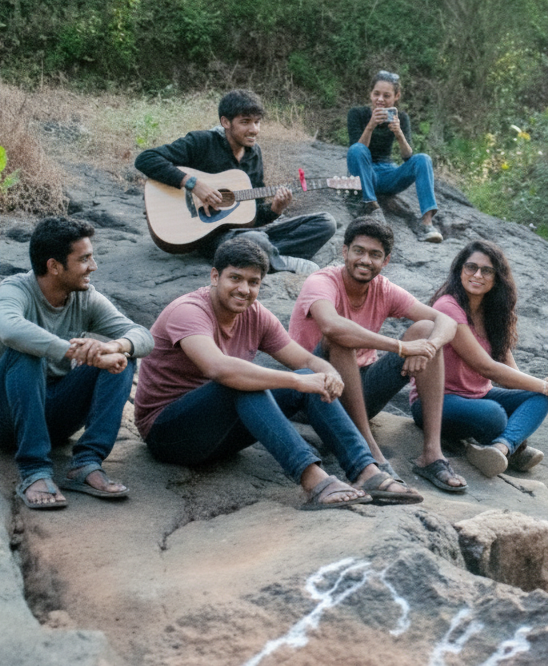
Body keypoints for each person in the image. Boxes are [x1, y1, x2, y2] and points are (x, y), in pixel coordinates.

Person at [134, 236, 423, 508]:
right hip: (169, 435)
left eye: (253, 282)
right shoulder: (189, 311)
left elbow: (304, 360)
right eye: (235, 278)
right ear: (214, 276)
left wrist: (325, 372)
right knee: (243, 382)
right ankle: (314, 482)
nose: (244, 289)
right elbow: (218, 368)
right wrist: (298, 381)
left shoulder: (255, 314)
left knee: (306, 383)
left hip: (219, 436)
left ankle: (366, 471)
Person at [0, 217, 155, 510]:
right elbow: (12, 331)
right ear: (54, 266)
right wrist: (74, 352)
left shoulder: (85, 297)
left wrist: (113, 347)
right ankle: (34, 471)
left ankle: (86, 464)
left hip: (53, 415)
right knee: (26, 351)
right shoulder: (13, 291)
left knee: (120, 359)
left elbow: (143, 335)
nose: (93, 266)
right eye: (84, 259)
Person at [288, 216, 466, 493]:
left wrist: (427, 346)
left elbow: (446, 322)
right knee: (340, 337)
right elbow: (331, 325)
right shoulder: (322, 281)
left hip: (361, 391)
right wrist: (402, 348)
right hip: (314, 391)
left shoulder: (383, 288)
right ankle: (370, 452)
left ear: (385, 261)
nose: (365, 260)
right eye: (358, 251)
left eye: (375, 255)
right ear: (345, 251)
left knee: (425, 329)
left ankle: (432, 454)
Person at [420, 240, 548, 477]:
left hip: (479, 396)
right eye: (470, 267)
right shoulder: (448, 306)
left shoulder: (494, 313)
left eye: (486, 270)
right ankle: (515, 448)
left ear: (497, 278)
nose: (477, 275)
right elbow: (485, 367)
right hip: (438, 402)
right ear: (459, 271)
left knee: (538, 397)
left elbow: (509, 377)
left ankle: (499, 448)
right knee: (493, 413)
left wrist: (546, 386)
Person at [135, 88, 337, 273]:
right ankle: (278, 259)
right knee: (253, 240)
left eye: (257, 122)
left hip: (240, 233)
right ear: (225, 122)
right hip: (207, 237)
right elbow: (146, 159)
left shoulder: (254, 154)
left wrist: (276, 209)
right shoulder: (202, 142)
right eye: (245, 122)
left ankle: (266, 255)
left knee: (326, 222)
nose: (254, 129)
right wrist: (194, 184)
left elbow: (253, 215)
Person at [346, 70, 443, 243]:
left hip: (388, 173)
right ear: (370, 93)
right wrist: (370, 126)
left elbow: (408, 157)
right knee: (356, 150)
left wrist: (399, 134)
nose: (380, 99)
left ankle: (427, 223)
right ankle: (371, 207)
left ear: (396, 96)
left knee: (423, 159)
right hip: (364, 173)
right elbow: (356, 150)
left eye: (386, 95)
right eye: (376, 94)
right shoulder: (357, 114)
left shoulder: (402, 118)